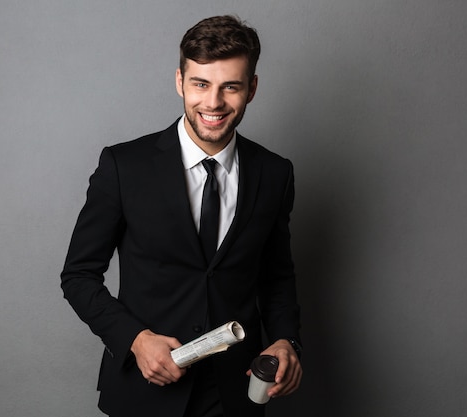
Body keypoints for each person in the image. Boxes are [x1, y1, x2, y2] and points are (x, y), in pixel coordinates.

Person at [61, 15, 302, 417]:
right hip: (146, 389)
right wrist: (136, 339)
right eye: (200, 84)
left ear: (252, 89)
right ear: (180, 82)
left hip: (236, 393)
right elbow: (78, 275)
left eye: (231, 86)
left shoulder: (275, 173)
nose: (213, 103)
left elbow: (276, 276)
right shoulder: (124, 166)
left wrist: (286, 341)